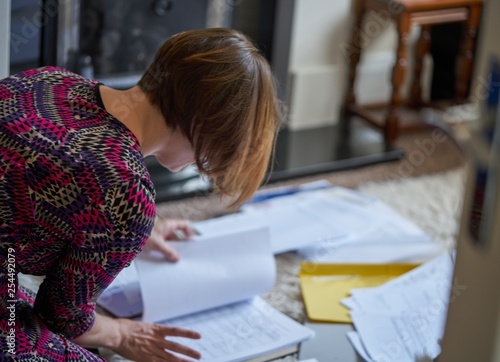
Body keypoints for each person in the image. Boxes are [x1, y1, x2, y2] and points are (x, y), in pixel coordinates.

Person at [0, 28, 282, 361]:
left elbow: (42, 180)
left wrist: (122, 233)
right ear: (205, 123)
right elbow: (62, 315)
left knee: (23, 308)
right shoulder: (124, 189)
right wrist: (120, 333)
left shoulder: (51, 80)